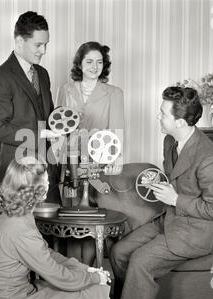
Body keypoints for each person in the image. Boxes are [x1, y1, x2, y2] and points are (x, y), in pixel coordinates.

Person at [109, 86, 213, 299]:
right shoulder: (170, 141)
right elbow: (175, 178)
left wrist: (175, 199)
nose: (158, 116)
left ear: (180, 122)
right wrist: (155, 181)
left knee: (140, 262)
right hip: (170, 220)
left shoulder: (210, 158)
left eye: (163, 113)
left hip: (197, 231)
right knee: (118, 253)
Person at [0, 157, 111, 299]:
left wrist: (85, 269)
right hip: (14, 297)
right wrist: (94, 278)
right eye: (45, 180)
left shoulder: (16, 213)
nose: (49, 183)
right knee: (95, 292)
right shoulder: (20, 227)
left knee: (91, 288)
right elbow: (56, 274)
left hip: (21, 290)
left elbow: (45, 253)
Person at [55, 41, 125, 266]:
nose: (94, 66)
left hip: (99, 163)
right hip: (70, 163)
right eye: (89, 61)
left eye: (99, 62)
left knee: (93, 217)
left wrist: (116, 158)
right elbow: (58, 128)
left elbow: (117, 129)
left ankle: (88, 270)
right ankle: (73, 272)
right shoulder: (65, 90)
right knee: (71, 216)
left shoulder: (114, 93)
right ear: (80, 63)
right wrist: (57, 154)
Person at [0, 11, 60, 209]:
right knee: (17, 236)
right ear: (19, 41)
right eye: (38, 45)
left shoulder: (42, 74)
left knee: (50, 235)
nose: (43, 50)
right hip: (14, 172)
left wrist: (63, 122)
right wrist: (41, 134)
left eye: (46, 45)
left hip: (45, 169)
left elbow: (47, 116)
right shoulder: (0, 78)